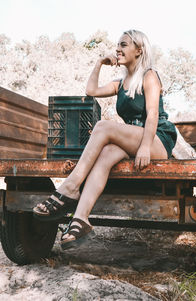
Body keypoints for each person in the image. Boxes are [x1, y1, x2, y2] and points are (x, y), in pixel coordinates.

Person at [33, 29, 177, 249]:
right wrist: (100, 63)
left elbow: (153, 114)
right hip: (133, 138)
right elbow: (91, 90)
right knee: (106, 153)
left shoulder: (149, 75)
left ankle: (70, 186)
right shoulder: (120, 84)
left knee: (102, 127)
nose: (117, 49)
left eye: (123, 45)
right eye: (117, 45)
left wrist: (146, 147)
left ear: (139, 50)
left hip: (157, 137)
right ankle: (81, 218)